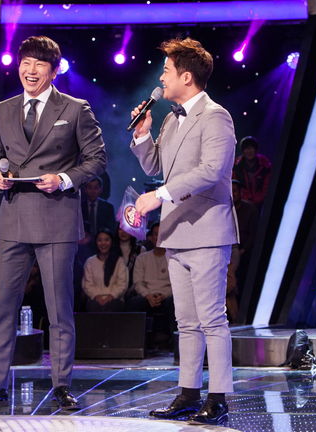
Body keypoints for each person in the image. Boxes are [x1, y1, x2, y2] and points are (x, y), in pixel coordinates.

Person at [0, 35, 106, 410]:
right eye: (26, 62)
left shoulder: (75, 108)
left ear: (54, 71)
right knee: (2, 308)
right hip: (13, 218)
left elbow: (97, 159)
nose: (31, 70)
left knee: (59, 309)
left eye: (39, 64)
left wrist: (64, 179)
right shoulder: (4, 109)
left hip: (56, 218)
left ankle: (61, 385)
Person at [129, 38, 238, 425]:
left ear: (186, 77)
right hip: (176, 232)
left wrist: (158, 196)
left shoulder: (215, 116)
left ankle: (218, 397)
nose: (162, 78)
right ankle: (188, 394)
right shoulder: (172, 119)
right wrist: (143, 134)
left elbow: (211, 171)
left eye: (167, 71)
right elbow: (155, 166)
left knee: (212, 319)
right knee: (187, 322)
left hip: (207, 230)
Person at [126, 223, 175, 347]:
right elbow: (138, 282)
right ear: (151, 237)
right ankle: (135, 344)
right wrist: (148, 296)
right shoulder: (142, 258)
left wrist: (164, 295)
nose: (158, 237)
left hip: (167, 296)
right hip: (147, 295)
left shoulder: (173, 258)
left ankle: (175, 344)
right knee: (133, 303)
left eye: (161, 234)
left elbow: (176, 283)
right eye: (155, 234)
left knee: (175, 303)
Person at [81, 229, 128, 312]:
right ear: (96, 242)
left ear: (111, 242)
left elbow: (122, 284)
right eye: (100, 240)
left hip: (115, 299)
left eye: (106, 240)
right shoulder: (90, 262)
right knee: (94, 307)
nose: (103, 243)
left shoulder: (119, 261)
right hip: (95, 299)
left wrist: (111, 296)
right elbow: (87, 284)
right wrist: (96, 296)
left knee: (112, 306)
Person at [233, 136, 271, 209]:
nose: (249, 151)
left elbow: (267, 188)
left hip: (261, 204)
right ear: (243, 151)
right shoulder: (236, 166)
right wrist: (246, 200)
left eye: (251, 148)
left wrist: (255, 200)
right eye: (246, 148)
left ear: (256, 150)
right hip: (242, 203)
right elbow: (235, 188)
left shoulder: (265, 166)